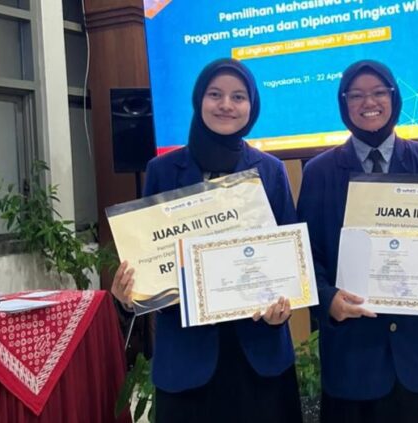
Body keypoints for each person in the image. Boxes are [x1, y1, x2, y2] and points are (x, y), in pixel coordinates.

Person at [111, 58, 302, 423]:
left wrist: (283, 305)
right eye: (215, 94)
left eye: (238, 96)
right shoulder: (162, 171)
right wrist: (131, 294)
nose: (226, 105)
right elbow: (149, 257)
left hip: (259, 356)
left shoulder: (271, 171)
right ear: (199, 99)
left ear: (252, 106)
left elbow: (289, 257)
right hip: (187, 360)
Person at [297, 60, 418, 422]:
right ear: (344, 104)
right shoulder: (319, 173)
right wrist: (328, 300)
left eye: (378, 92)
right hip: (353, 359)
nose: (368, 102)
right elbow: (305, 255)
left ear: (394, 98)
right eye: (356, 95)